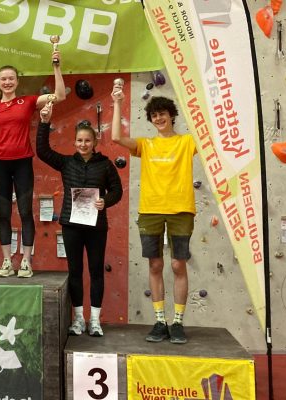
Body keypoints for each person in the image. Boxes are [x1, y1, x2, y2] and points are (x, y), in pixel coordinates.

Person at [111, 84, 196, 344]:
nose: (158, 119)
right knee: (155, 264)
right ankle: (160, 321)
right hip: (150, 210)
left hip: (181, 209)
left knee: (177, 264)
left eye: (162, 114)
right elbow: (115, 138)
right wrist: (117, 102)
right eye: (154, 116)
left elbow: (213, 139)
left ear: (171, 115)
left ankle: (178, 322)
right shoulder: (145, 145)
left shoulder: (187, 141)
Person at [36, 103, 122, 336]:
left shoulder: (105, 165)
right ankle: (78, 320)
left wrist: (106, 201)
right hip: (71, 225)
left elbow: (117, 190)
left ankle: (94, 320)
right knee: (75, 270)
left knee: (95, 270)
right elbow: (42, 152)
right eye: (79, 141)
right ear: (74, 143)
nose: (83, 144)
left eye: (87, 141)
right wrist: (44, 122)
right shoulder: (67, 163)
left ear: (94, 143)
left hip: (96, 226)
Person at [0, 51, 66, 278]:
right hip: (0, 166)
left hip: (23, 163)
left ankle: (26, 261)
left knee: (26, 212)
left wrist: (56, 67)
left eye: (11, 78)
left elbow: (59, 95)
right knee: (4, 214)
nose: (7, 82)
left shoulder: (27, 101)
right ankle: (7, 261)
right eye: (3, 79)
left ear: (17, 81)